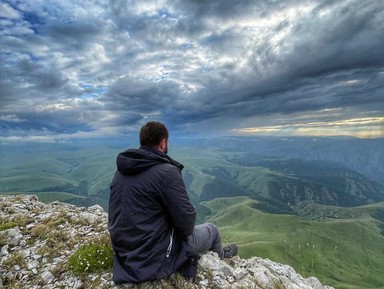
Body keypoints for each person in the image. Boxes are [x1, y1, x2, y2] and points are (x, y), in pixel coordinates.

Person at [108, 121, 238, 284]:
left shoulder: (120, 172)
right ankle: (221, 259)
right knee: (212, 230)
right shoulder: (167, 172)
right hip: (153, 256)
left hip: (125, 253)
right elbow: (186, 225)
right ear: (163, 143)